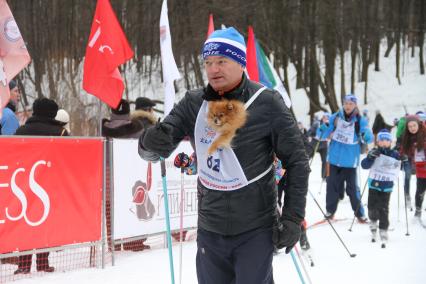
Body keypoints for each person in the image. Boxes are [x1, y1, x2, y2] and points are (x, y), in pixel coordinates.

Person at [139, 27, 309, 284]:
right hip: (211, 228)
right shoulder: (194, 102)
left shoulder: (267, 103)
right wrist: (150, 143)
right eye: (208, 63)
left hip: (255, 228)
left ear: (240, 62)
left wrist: (293, 218)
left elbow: (297, 162)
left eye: (221, 61)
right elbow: (151, 152)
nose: (213, 69)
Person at [14, 97, 67, 274]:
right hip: (51, 186)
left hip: (24, 184)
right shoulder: (60, 132)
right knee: (45, 222)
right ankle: (43, 263)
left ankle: (23, 265)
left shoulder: (21, 131)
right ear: (52, 113)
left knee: (25, 223)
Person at [102, 99, 150, 252]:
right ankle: (133, 242)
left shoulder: (103, 128)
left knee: (111, 210)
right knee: (131, 206)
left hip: (109, 175)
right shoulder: (137, 128)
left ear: (112, 111)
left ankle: (113, 242)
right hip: (130, 174)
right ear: (128, 112)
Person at [320, 94, 373, 222]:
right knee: (331, 187)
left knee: (353, 189)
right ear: (343, 104)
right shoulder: (336, 116)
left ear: (355, 105)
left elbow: (369, 137)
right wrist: (325, 125)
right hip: (333, 159)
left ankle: (360, 214)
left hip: (350, 161)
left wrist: (366, 134)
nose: (348, 106)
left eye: (351, 103)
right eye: (346, 103)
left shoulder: (360, 120)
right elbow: (323, 135)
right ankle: (330, 212)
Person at [361, 129, 402, 247]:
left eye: (387, 140)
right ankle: (373, 221)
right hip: (374, 184)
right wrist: (369, 157)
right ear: (378, 142)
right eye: (381, 140)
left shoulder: (394, 154)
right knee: (372, 206)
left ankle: (383, 229)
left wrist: (403, 159)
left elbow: (401, 166)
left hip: (387, 186)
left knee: (384, 208)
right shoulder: (374, 152)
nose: (384, 142)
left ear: (390, 142)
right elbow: (364, 165)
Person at [400, 115, 426, 220]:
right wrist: (400, 154)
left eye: (414, 125)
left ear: (418, 125)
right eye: (410, 126)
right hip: (420, 169)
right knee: (419, 191)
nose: (412, 128)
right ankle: (418, 213)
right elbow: (403, 151)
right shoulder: (408, 138)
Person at [313, 112, 331, 180]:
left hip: (325, 144)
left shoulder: (331, 125)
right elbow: (318, 133)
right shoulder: (319, 124)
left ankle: (324, 176)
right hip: (317, 142)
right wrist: (324, 127)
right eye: (324, 117)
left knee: (325, 160)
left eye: (327, 118)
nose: (325, 119)